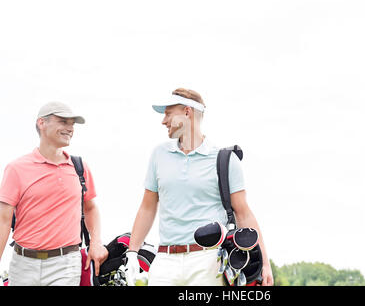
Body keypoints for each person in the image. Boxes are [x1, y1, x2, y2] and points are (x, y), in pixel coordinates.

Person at [126, 88, 273, 286]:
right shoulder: (158, 155)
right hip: (165, 260)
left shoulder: (225, 159)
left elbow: (243, 213)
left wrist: (265, 264)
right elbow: (147, 206)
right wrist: (133, 252)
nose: (163, 121)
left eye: (168, 113)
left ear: (187, 112)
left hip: (209, 261)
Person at [0, 101, 108, 286]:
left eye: (72, 123)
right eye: (63, 122)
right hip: (23, 265)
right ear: (42, 123)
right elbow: (2, 220)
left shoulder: (79, 167)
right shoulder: (16, 169)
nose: (70, 128)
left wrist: (96, 242)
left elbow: (90, 209)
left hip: (65, 265)